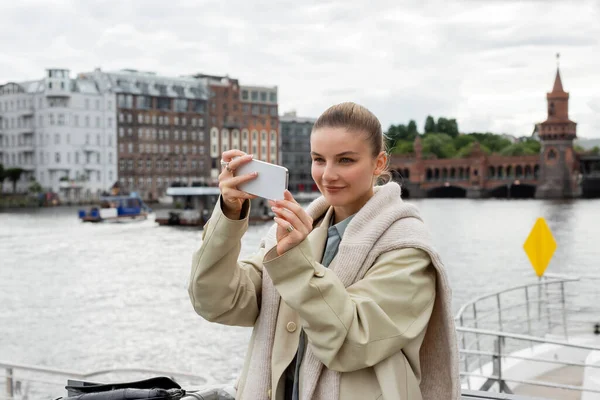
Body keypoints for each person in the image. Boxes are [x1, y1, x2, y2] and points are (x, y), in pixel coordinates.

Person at [188, 102, 460, 400]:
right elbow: (217, 301)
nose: (328, 174)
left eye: (345, 160)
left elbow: (355, 341)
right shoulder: (297, 233)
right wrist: (230, 214)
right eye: (319, 159)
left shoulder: (407, 249)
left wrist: (294, 261)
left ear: (379, 162)